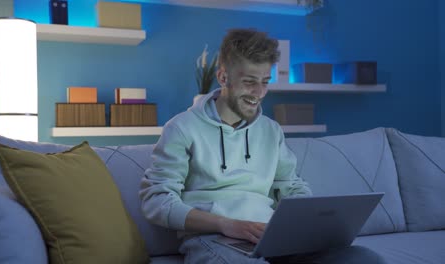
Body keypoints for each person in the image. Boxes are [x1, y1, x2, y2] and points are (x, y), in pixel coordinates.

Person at [140, 28, 387, 264]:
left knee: (365, 259)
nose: (259, 92)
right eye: (249, 82)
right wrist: (227, 224)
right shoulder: (181, 128)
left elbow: (290, 186)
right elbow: (157, 202)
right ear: (223, 77)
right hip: (213, 238)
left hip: (269, 236)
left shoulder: (271, 130)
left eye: (265, 82)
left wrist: (309, 221)